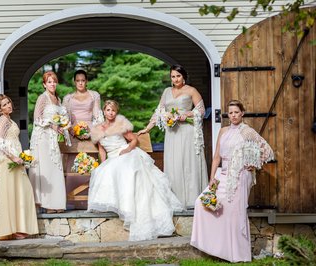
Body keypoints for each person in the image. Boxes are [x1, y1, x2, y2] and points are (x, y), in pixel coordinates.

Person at [190, 99, 274, 262]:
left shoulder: (247, 132)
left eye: (236, 112)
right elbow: (216, 157)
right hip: (223, 173)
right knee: (202, 203)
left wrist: (253, 165)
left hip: (240, 175)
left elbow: (267, 151)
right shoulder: (223, 131)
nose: (234, 115)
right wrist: (212, 178)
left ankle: (237, 254)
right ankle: (216, 248)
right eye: (231, 113)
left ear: (242, 113)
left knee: (234, 214)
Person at [87, 100, 183, 241]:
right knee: (104, 172)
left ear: (116, 112)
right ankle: (120, 206)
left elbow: (134, 140)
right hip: (112, 158)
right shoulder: (98, 129)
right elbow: (101, 149)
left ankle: (135, 210)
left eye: (113, 110)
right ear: (104, 111)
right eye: (108, 110)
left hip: (125, 153)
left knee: (129, 170)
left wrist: (127, 149)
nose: (111, 113)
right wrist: (103, 163)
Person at [138, 64, 208, 210]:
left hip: (187, 131)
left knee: (187, 162)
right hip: (172, 132)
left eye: (178, 76)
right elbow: (159, 111)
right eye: (173, 76)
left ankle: (191, 199)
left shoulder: (191, 90)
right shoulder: (166, 91)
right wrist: (148, 128)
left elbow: (201, 111)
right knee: (173, 163)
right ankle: (175, 200)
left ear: (184, 76)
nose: (175, 79)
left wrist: (185, 115)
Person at [0, 94, 38, 240]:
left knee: (22, 191)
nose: (8, 105)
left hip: (16, 162)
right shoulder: (1, 120)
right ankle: (10, 229)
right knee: (11, 193)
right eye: (4, 105)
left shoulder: (9, 119)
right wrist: (13, 157)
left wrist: (21, 157)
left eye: (8, 102)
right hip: (8, 162)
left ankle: (19, 228)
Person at [28, 71, 69, 214]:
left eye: (54, 81)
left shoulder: (58, 98)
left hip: (53, 138)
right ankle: (47, 204)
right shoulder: (42, 98)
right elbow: (37, 119)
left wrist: (64, 126)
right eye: (49, 82)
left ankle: (56, 203)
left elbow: (62, 117)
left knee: (55, 168)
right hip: (43, 137)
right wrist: (53, 125)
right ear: (44, 84)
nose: (52, 84)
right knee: (46, 168)